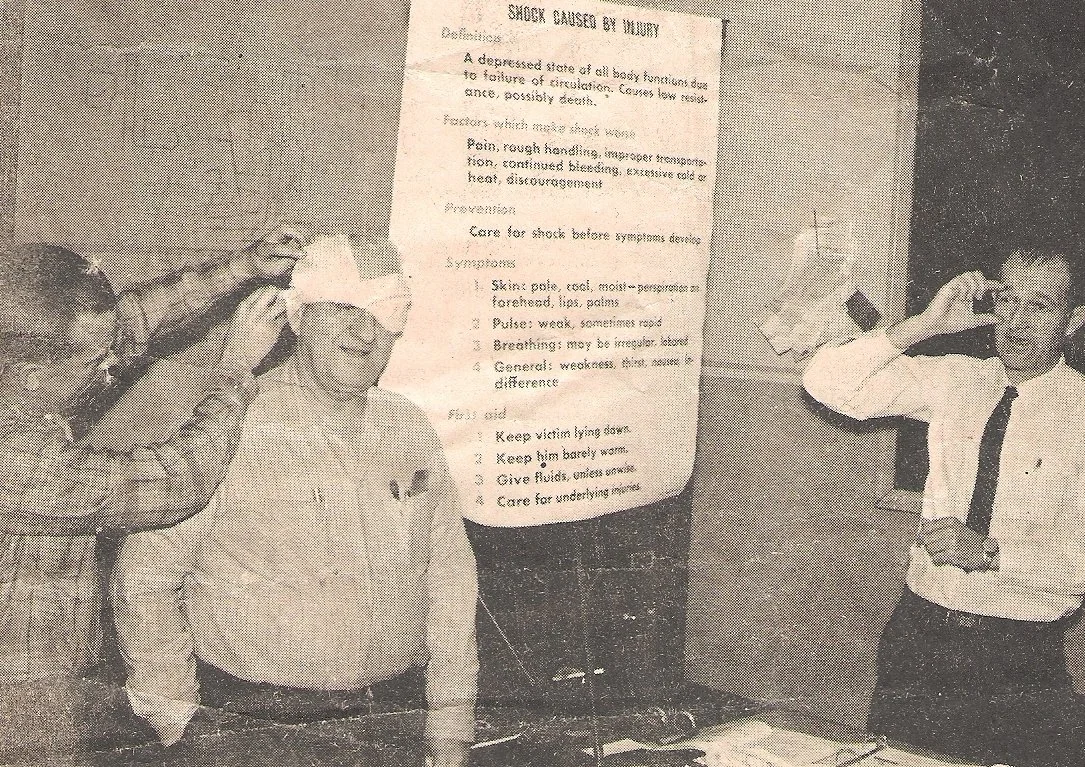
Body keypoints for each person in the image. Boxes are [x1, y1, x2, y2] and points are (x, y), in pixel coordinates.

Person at [112, 234, 479, 767]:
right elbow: (146, 570)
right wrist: (174, 717)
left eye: (381, 313)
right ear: (299, 318)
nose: (362, 331)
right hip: (261, 724)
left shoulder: (409, 428)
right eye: (342, 310)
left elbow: (448, 572)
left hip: (395, 717)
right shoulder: (229, 421)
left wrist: (451, 722)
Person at [0, 231, 306, 760]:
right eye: (97, 362)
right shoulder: (20, 464)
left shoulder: (29, 362)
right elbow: (169, 486)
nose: (110, 367)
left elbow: (135, 320)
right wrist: (234, 374)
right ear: (30, 375)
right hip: (24, 687)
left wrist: (242, 268)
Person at [804, 250, 1085, 767]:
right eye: (1008, 301)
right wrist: (925, 325)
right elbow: (827, 382)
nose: (1019, 322)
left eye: (1041, 307)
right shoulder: (957, 379)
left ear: (1073, 321)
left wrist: (991, 554)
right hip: (919, 637)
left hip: (1017, 653)